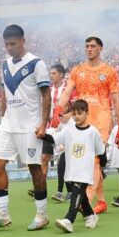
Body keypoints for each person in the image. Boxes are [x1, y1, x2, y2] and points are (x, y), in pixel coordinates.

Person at [0, 25, 51, 232]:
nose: (10, 48)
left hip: (30, 126)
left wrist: (43, 124)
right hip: (8, 124)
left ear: (23, 41)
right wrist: (2, 117)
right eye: (6, 44)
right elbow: (5, 93)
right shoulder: (4, 65)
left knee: (34, 169)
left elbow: (46, 95)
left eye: (13, 44)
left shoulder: (37, 64)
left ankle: (41, 215)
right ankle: (2, 215)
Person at [53, 36, 119, 215]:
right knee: (86, 159)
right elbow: (68, 91)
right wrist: (58, 109)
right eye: (87, 46)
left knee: (93, 159)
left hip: (102, 119)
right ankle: (101, 202)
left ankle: (83, 200)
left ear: (100, 48)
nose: (89, 49)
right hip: (81, 118)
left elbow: (116, 100)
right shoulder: (78, 70)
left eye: (93, 46)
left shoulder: (109, 71)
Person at [53, 100, 105, 233]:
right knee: (80, 195)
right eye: (74, 113)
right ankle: (91, 215)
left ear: (87, 113)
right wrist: (42, 136)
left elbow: (101, 151)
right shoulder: (69, 130)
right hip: (71, 170)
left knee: (77, 192)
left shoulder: (93, 132)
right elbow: (55, 139)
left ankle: (69, 220)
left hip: (84, 171)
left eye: (80, 113)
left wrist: (103, 166)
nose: (76, 116)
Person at [47, 64, 70, 202]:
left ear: (61, 74)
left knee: (64, 162)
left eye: (54, 73)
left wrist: (70, 115)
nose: (51, 75)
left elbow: (77, 104)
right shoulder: (48, 90)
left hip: (65, 127)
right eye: (51, 73)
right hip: (51, 129)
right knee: (45, 158)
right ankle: (40, 187)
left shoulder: (69, 89)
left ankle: (66, 191)